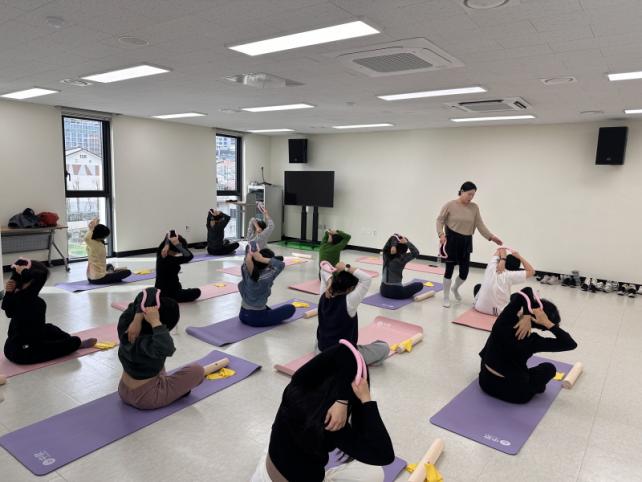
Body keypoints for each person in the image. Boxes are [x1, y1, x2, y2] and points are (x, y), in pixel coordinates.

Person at [251, 342, 395, 482]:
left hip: (264, 474)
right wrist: (366, 400)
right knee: (375, 473)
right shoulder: (333, 423)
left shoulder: (297, 386)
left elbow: (341, 351)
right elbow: (384, 455)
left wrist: (342, 399)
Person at [117, 288, 225, 409]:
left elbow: (148, 292)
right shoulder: (156, 345)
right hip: (147, 398)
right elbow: (168, 348)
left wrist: (137, 318)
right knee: (197, 370)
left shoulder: (125, 327)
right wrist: (155, 322)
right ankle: (174, 391)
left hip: (123, 390)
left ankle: (163, 383)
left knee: (155, 364)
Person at [478, 286, 577, 404]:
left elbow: (522, 292)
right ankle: (534, 387)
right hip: (516, 395)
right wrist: (547, 323)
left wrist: (527, 315)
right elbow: (570, 344)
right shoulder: (533, 341)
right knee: (549, 368)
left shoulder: (505, 320)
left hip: (485, 382)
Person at [2, 259, 96, 364]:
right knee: (73, 341)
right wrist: (24, 272)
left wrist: (9, 292)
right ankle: (74, 344)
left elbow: (8, 312)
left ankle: (68, 341)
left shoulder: (16, 296)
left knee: (49, 328)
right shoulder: (36, 303)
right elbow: (40, 276)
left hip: (10, 347)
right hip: (24, 353)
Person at [437, 181, 503, 307]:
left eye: (473, 195)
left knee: (464, 273)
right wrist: (441, 234)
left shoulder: (474, 207)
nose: (471, 197)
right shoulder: (450, 205)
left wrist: (491, 237)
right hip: (452, 240)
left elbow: (480, 224)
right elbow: (439, 220)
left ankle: (455, 288)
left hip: (466, 241)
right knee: (449, 270)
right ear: (462, 191)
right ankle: (446, 297)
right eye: (469, 194)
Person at [318, 261, 389, 365]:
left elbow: (323, 269)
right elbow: (367, 279)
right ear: (350, 288)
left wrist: (329, 282)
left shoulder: (324, 294)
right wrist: (346, 267)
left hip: (321, 350)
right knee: (384, 347)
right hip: (342, 355)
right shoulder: (349, 301)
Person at [238, 246, 295, 327]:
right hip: (256, 318)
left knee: (242, 284)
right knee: (290, 308)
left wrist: (252, 254)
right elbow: (281, 264)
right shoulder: (267, 276)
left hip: (243, 314)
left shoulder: (245, 269)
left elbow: (247, 260)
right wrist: (261, 258)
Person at [473, 248, 535, 316]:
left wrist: (503, 259)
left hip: (479, 307)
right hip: (500, 312)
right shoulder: (512, 275)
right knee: (518, 294)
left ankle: (483, 304)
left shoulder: (492, 266)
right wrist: (519, 257)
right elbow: (532, 271)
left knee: (478, 287)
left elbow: (500, 249)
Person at [155, 232, 201, 302]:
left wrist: (167, 244)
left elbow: (169, 233)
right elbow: (189, 256)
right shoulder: (172, 260)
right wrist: (178, 245)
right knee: (197, 291)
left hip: (159, 292)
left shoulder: (160, 254)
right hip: (172, 294)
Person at [85, 218, 131, 284]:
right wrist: (91, 228)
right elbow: (86, 238)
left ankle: (110, 273)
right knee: (127, 272)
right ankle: (111, 276)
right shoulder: (96, 245)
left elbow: (90, 236)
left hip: (90, 277)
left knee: (109, 265)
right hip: (98, 279)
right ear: (101, 236)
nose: (105, 238)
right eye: (105, 236)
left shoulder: (93, 243)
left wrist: (94, 226)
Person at [380, 234, 423, 300]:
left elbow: (393, 236)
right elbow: (416, 253)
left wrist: (393, 246)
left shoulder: (385, 255)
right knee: (420, 285)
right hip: (397, 292)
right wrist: (407, 242)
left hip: (383, 290)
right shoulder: (402, 258)